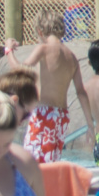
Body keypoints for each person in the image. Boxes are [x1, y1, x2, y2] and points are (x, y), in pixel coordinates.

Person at [12, 13, 83, 163]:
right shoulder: (72, 56)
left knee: (32, 163)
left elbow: (19, 70)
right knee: (52, 162)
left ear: (40, 31)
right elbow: (81, 92)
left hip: (44, 114)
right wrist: (89, 123)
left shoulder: (43, 48)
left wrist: (8, 52)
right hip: (62, 116)